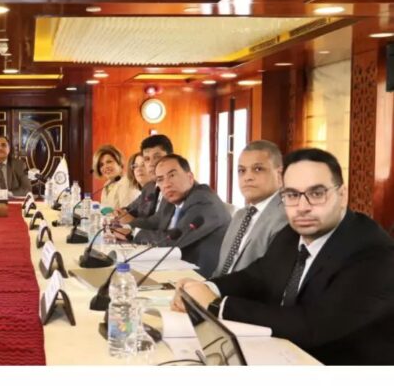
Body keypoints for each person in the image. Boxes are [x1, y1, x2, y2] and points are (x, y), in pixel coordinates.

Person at [172, 148, 394, 365]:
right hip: (282, 352)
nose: (302, 207)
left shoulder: (373, 251)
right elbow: (256, 276)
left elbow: (314, 325)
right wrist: (207, 288)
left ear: (342, 195)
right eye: (292, 195)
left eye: (317, 194)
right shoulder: (291, 233)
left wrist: (216, 305)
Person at [133, 154, 231, 278]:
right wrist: (126, 228)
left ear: (190, 177)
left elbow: (174, 240)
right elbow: (155, 223)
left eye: (172, 175)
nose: (166, 184)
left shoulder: (203, 200)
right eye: (160, 179)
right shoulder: (172, 200)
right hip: (174, 267)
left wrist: (136, 233)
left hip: (200, 276)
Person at [212, 140, 288, 276]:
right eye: (242, 171)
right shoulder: (240, 215)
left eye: (258, 169)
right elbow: (220, 270)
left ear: (279, 175)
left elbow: (269, 278)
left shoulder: (284, 217)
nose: (247, 177)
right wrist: (207, 286)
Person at [112, 134, 173, 238]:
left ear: (171, 158)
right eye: (147, 159)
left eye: (157, 157)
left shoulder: (177, 189)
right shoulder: (149, 187)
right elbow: (131, 209)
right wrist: (121, 213)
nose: (151, 163)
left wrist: (132, 226)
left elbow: (161, 229)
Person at [93, 144, 140, 209]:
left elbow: (126, 213)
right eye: (101, 165)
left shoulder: (127, 182)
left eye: (109, 162)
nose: (105, 167)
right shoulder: (107, 184)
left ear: (119, 162)